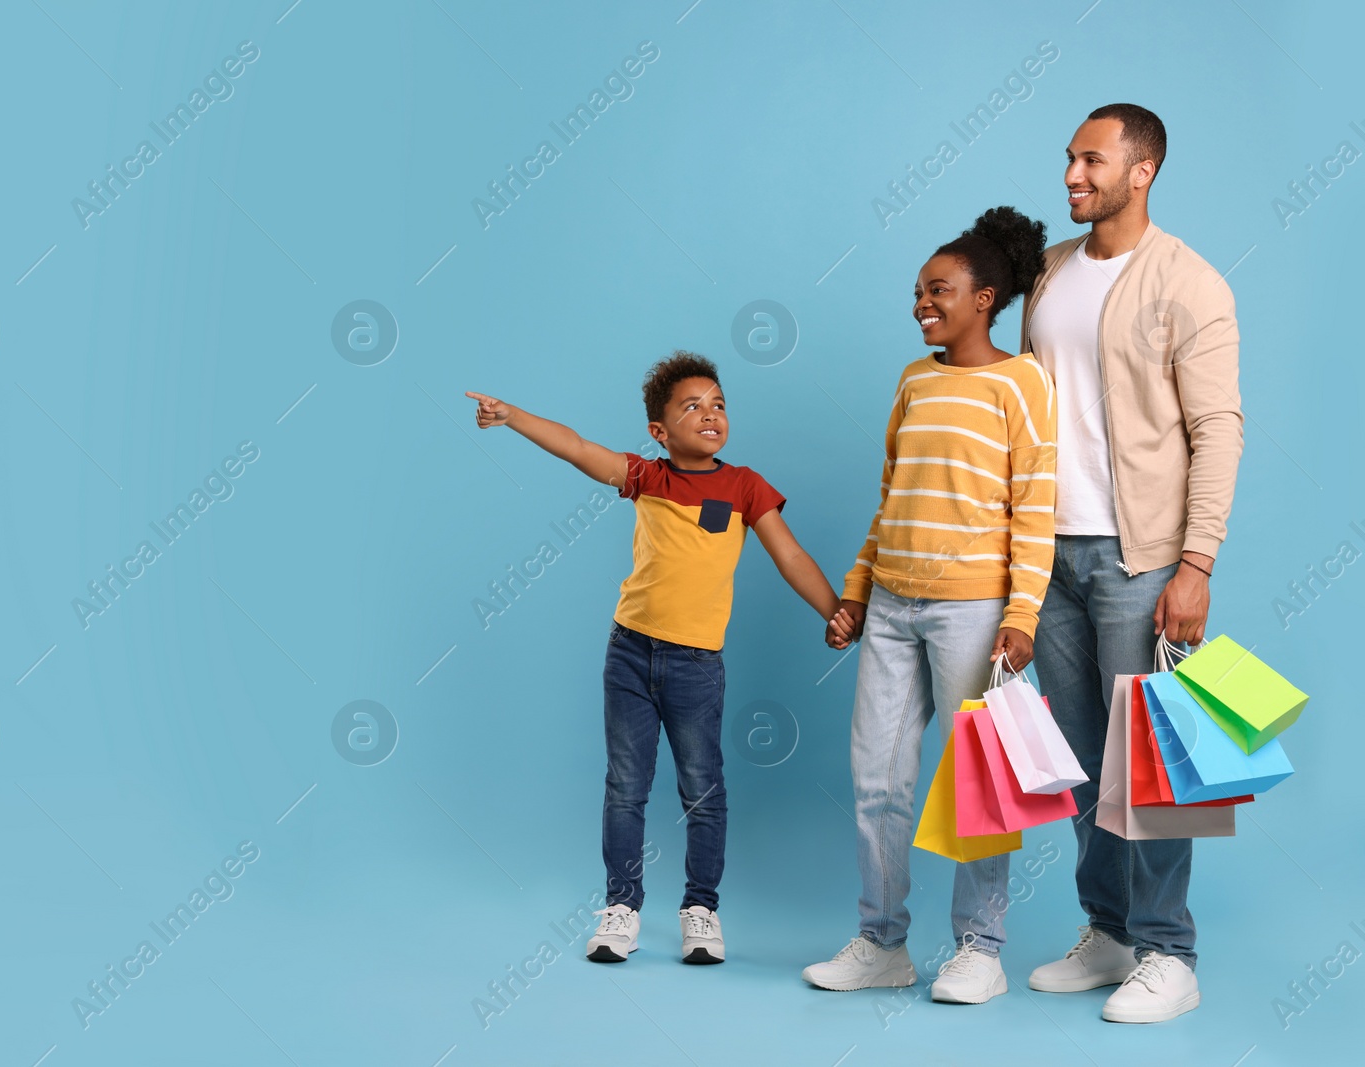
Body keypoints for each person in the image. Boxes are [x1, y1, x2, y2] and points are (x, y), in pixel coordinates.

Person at [465, 352, 841, 965]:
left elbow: (791, 557)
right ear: (660, 433)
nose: (710, 414)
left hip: (697, 665)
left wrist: (834, 611)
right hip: (630, 655)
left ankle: (701, 910)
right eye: (691, 406)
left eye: (718, 403)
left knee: (702, 789)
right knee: (625, 787)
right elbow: (576, 446)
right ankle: (621, 907)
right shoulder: (646, 477)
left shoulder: (746, 487)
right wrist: (511, 416)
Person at [1022, 103, 1243, 1024]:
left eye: (1090, 160)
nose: (1073, 175)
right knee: (1078, 762)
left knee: (1153, 761)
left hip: (1140, 556)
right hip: (1046, 554)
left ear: (1140, 170)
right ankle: (1109, 930)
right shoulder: (1048, 272)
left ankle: (1170, 952)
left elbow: (1217, 426)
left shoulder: (1190, 282)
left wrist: (1195, 560)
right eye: (1069, 159)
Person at [802, 207, 1054, 1005]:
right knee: (877, 778)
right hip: (890, 608)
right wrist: (855, 587)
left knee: (979, 780)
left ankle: (981, 946)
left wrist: (1024, 612)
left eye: (938, 290)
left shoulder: (1022, 380)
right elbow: (891, 500)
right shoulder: (914, 380)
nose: (921, 303)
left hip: (975, 614)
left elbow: (1035, 504)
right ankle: (883, 941)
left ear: (985, 297)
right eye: (916, 291)